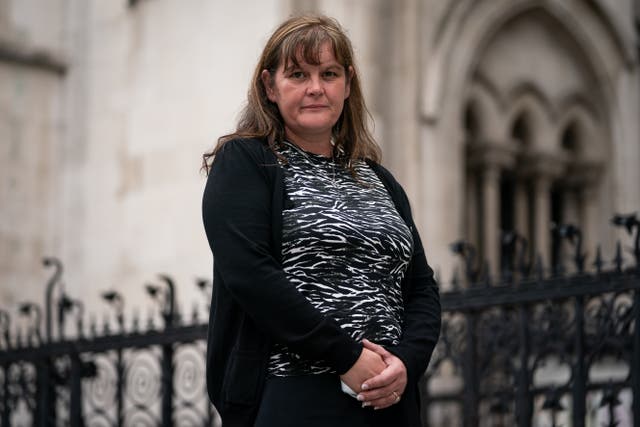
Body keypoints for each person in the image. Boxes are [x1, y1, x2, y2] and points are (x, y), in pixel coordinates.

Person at [201, 14, 440, 427]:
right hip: (293, 396)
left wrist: (407, 361)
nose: (315, 88)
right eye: (297, 74)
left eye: (328, 74)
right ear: (269, 86)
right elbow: (252, 277)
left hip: (389, 403)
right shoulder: (246, 162)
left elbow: (421, 286)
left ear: (347, 85)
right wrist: (345, 356)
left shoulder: (379, 179)